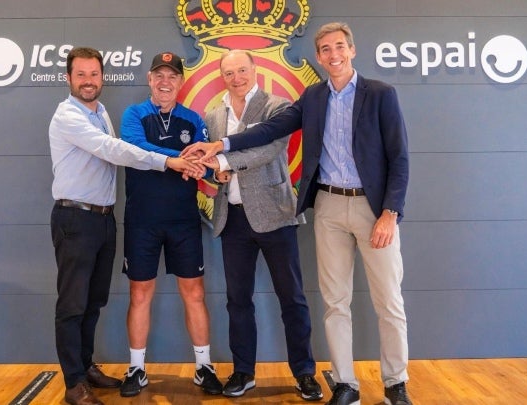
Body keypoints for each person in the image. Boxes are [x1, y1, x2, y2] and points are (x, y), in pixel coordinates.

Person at [182, 22, 413, 405]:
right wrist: (221, 145)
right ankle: (345, 384)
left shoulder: (380, 94)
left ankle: (395, 384)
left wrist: (391, 211)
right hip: (327, 206)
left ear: (351, 50)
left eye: (339, 47)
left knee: (388, 301)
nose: (333, 55)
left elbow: (399, 158)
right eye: (326, 49)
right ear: (318, 56)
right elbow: (268, 131)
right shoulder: (313, 97)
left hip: (372, 209)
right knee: (335, 303)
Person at [49, 47, 201, 405]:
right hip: (75, 218)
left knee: (93, 301)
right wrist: (171, 161)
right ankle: (74, 383)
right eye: (81, 74)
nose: (88, 81)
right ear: (68, 78)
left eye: (94, 74)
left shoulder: (100, 111)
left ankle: (85, 366)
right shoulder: (67, 116)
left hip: (102, 218)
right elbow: (114, 150)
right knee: (72, 304)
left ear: (102, 77)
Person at [201, 49, 322, 401]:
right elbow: (212, 164)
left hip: (276, 215)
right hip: (232, 219)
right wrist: (216, 172)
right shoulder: (213, 115)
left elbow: (267, 150)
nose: (236, 78)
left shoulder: (277, 107)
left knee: (292, 299)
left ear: (255, 70)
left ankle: (304, 373)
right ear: (221, 77)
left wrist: (223, 160)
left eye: (242, 70)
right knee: (237, 300)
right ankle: (243, 372)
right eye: (229, 73)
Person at [117, 51, 223, 398]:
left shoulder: (193, 119)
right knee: (139, 293)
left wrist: (202, 166)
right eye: (159, 75)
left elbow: (206, 163)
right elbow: (134, 147)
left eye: (172, 76)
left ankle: (204, 367)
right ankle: (136, 368)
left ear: (181, 81)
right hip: (142, 221)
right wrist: (179, 160)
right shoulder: (134, 115)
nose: (165, 82)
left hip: (183, 221)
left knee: (194, 293)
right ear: (150, 79)